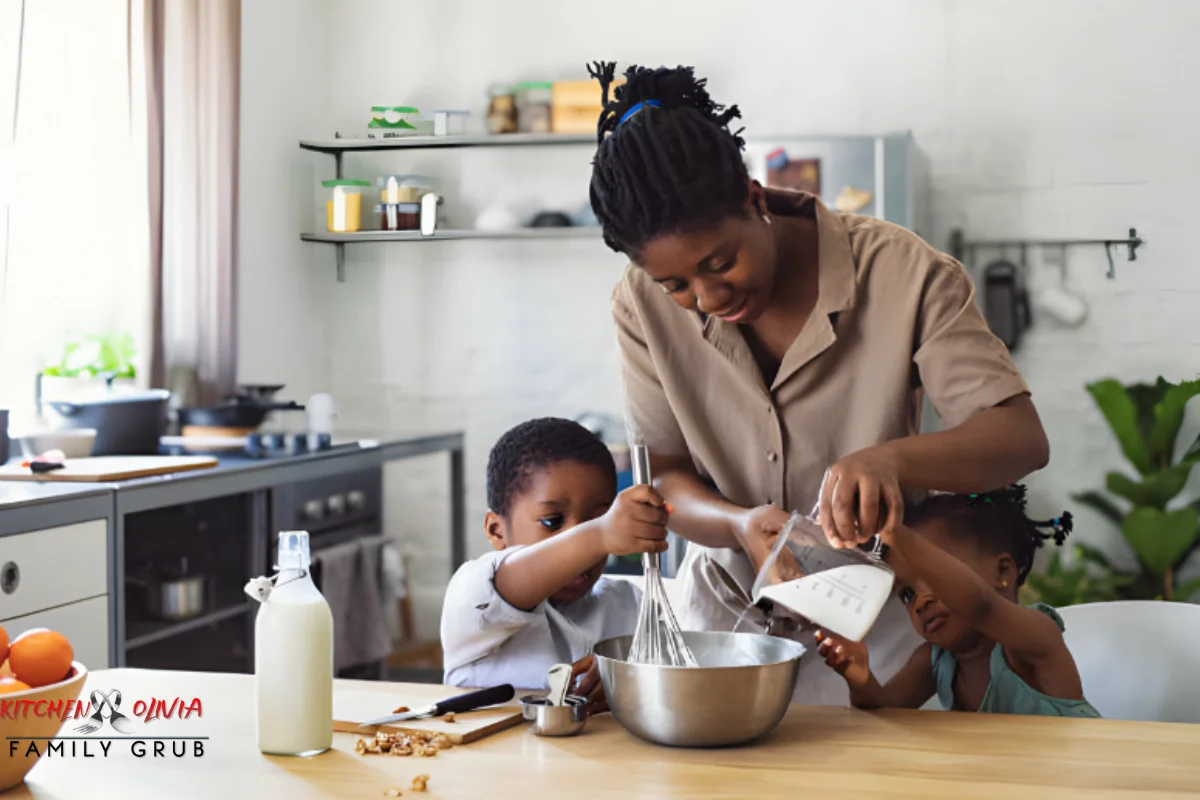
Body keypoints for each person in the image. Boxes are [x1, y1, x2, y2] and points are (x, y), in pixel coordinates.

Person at [589, 62, 1050, 704]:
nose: (708, 296)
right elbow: (663, 473)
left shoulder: (905, 273)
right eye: (677, 285)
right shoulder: (639, 304)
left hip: (875, 619)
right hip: (727, 610)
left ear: (755, 199)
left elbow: (1019, 439)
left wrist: (890, 459)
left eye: (721, 262)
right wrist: (740, 524)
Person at [816, 486, 1100, 717]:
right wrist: (860, 678)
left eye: (935, 576)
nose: (920, 602)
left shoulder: (1035, 640)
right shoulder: (937, 661)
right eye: (907, 593)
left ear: (1002, 573)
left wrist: (896, 534)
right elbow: (887, 716)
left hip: (1083, 778)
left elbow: (981, 606)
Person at [440, 417, 670, 691]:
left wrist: (626, 679)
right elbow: (513, 580)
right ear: (496, 531)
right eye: (552, 521)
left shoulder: (627, 605)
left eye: (597, 518)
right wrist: (599, 533)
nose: (578, 540)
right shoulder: (472, 592)